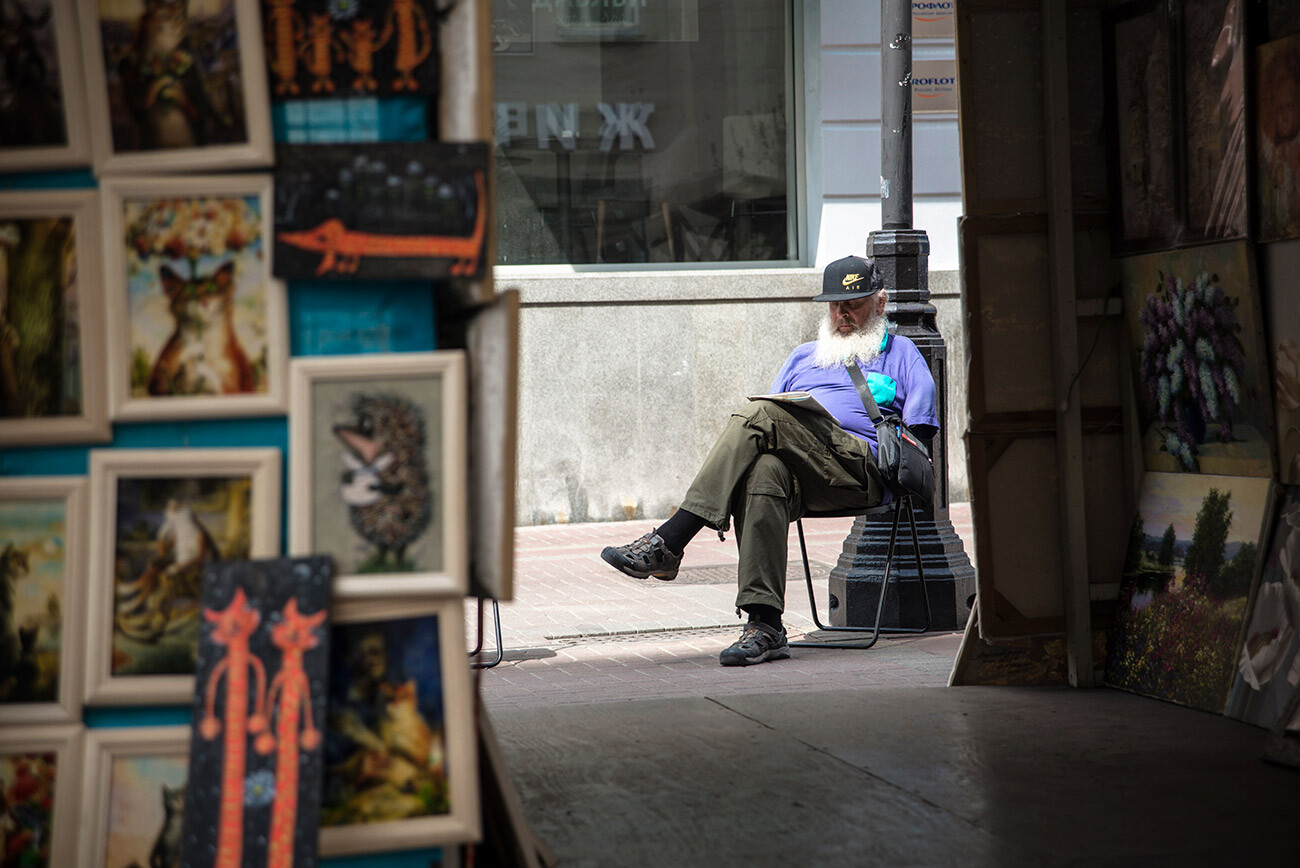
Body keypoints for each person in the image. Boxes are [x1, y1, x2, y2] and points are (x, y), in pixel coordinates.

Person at [600, 255, 939, 666]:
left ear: (880, 304)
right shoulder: (802, 356)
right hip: (809, 475)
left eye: (852, 303)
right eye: (833, 305)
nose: (841, 313)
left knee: (758, 415)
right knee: (763, 472)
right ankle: (766, 625)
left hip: (862, 469)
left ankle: (672, 539)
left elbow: (920, 436)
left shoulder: (902, 352)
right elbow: (772, 427)